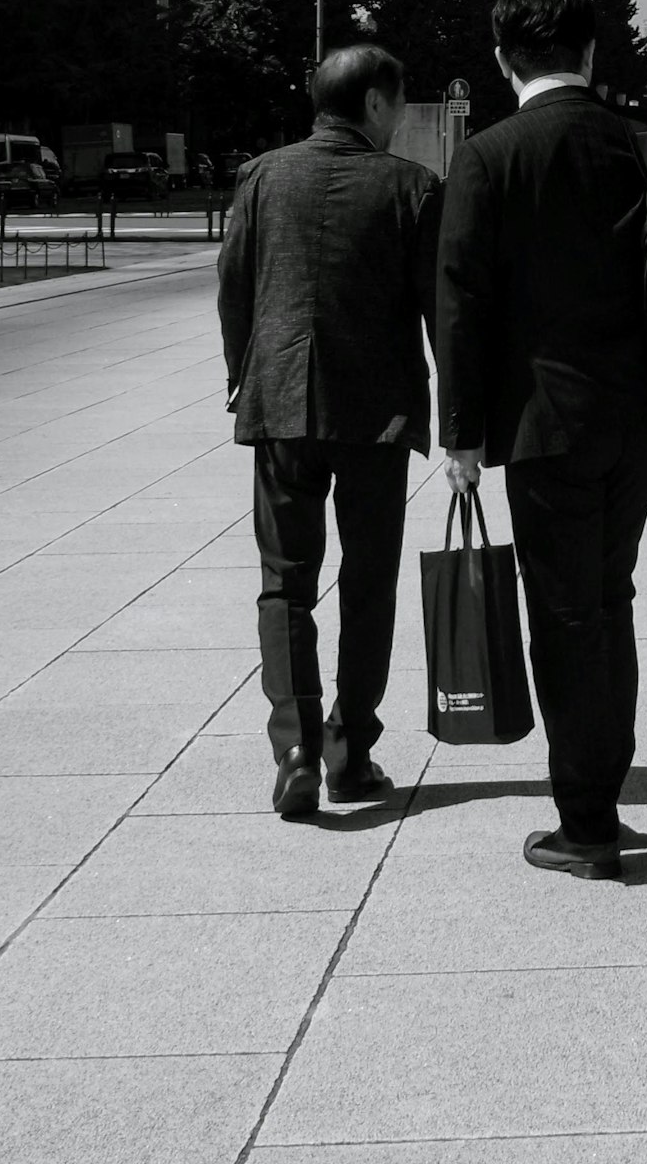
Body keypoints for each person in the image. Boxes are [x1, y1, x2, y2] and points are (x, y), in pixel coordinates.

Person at [439, 0, 647, 882]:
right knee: (607, 599)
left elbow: (461, 300)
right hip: (642, 419)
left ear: (505, 62)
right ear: (591, 54)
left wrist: (461, 434)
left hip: (542, 425)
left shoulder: (490, 156)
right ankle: (598, 793)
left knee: (570, 613)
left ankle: (588, 822)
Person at [220, 43, 440, 822]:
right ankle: (351, 750)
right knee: (368, 579)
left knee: (285, 580)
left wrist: (238, 373)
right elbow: (438, 310)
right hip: (375, 413)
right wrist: (466, 415)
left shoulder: (262, 176)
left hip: (280, 403)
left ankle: (294, 748)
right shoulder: (411, 187)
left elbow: (235, 288)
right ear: (377, 103)